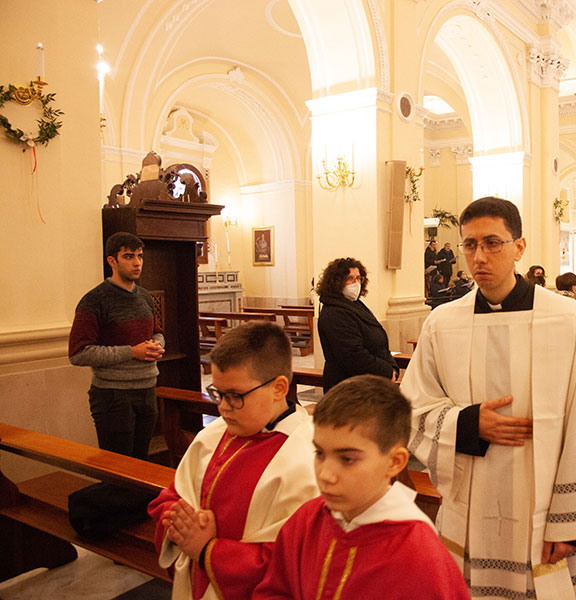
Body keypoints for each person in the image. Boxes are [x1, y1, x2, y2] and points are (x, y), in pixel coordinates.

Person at [400, 196, 576, 599]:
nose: (479, 256)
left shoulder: (566, 318)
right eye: (470, 244)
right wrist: (469, 423)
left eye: (492, 243)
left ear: (519, 247)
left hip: (546, 512)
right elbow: (413, 407)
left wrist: (573, 524)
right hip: (471, 503)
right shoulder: (442, 323)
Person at [253, 375, 470, 599]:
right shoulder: (306, 520)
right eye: (320, 453)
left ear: (394, 462)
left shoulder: (420, 554)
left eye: (347, 459)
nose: (325, 475)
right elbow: (275, 590)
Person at [148, 322, 319, 599]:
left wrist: (207, 549)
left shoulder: (306, 460)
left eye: (235, 396)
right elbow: (169, 498)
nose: (223, 407)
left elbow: (295, 565)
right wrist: (183, 523)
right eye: (218, 393)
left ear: (279, 388)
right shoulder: (213, 435)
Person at [68, 232, 165, 460]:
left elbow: (157, 332)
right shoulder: (95, 300)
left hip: (147, 389)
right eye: (129, 256)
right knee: (118, 468)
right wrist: (132, 352)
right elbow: (79, 353)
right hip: (113, 396)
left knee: (141, 463)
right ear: (112, 261)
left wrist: (157, 346)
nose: (137, 262)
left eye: (140, 256)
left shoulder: (144, 297)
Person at [316, 257, 398, 394]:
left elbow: (377, 342)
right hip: (349, 388)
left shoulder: (354, 304)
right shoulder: (334, 313)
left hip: (369, 384)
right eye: (350, 278)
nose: (356, 283)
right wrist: (387, 371)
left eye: (359, 278)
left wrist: (392, 367)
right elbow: (352, 355)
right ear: (336, 282)